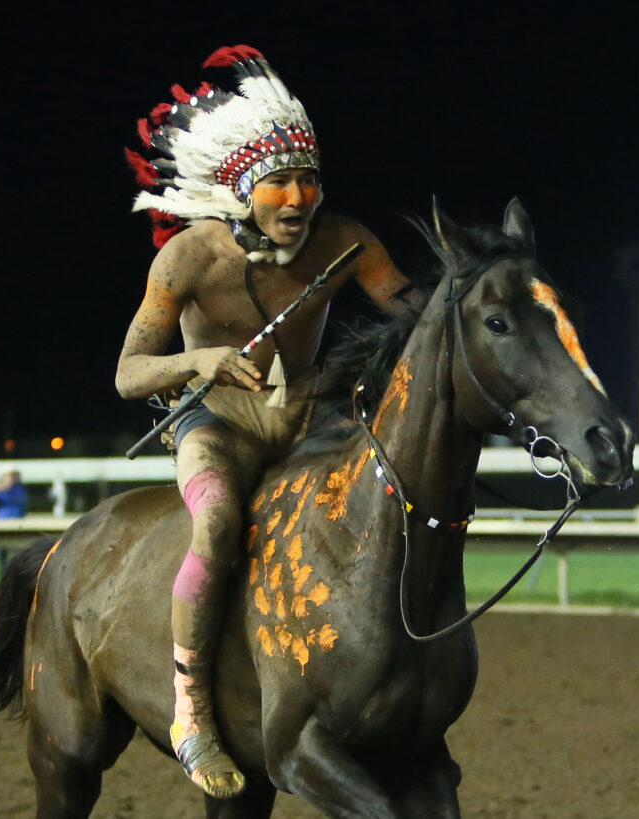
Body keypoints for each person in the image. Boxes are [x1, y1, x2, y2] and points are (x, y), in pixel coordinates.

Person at [116, 45, 421, 799]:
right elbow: (127, 373)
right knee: (217, 525)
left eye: (308, 180)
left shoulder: (347, 242)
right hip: (218, 427)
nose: (298, 198)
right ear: (240, 188)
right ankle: (192, 714)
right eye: (278, 182)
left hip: (311, 422)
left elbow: (415, 312)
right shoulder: (187, 257)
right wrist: (200, 361)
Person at [0, 470, 28, 575]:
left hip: (16, 527)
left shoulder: (19, 490)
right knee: (0, 554)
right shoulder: (0, 492)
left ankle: (14, 578)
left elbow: (17, 501)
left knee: (16, 555)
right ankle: (2, 577)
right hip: (2, 527)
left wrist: (3, 491)